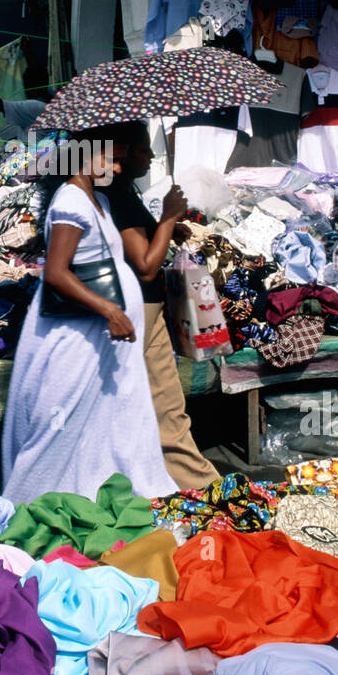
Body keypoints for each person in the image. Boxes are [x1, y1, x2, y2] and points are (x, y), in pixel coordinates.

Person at [1, 136, 174, 504]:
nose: (116, 169)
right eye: (111, 160)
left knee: (100, 422)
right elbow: (57, 273)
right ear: (84, 156)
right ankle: (40, 500)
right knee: (60, 421)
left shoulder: (101, 201)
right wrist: (110, 310)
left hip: (98, 338)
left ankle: (89, 493)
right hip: (77, 336)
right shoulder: (70, 202)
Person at [107, 121, 220, 490]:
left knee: (166, 401)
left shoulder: (124, 192)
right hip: (137, 308)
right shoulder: (117, 196)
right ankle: (196, 483)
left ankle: (197, 482)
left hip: (147, 308)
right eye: (143, 149)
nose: (151, 155)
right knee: (158, 401)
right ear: (120, 152)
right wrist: (169, 216)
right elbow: (143, 264)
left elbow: (140, 243)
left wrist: (165, 227)